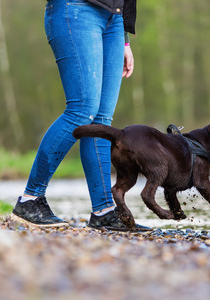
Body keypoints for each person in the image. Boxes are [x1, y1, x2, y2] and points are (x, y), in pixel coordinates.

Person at [12, 0, 149, 232]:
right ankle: (30, 199)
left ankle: (104, 212)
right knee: (81, 110)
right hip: (75, 9)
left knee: (101, 122)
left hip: (113, 19)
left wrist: (125, 39)